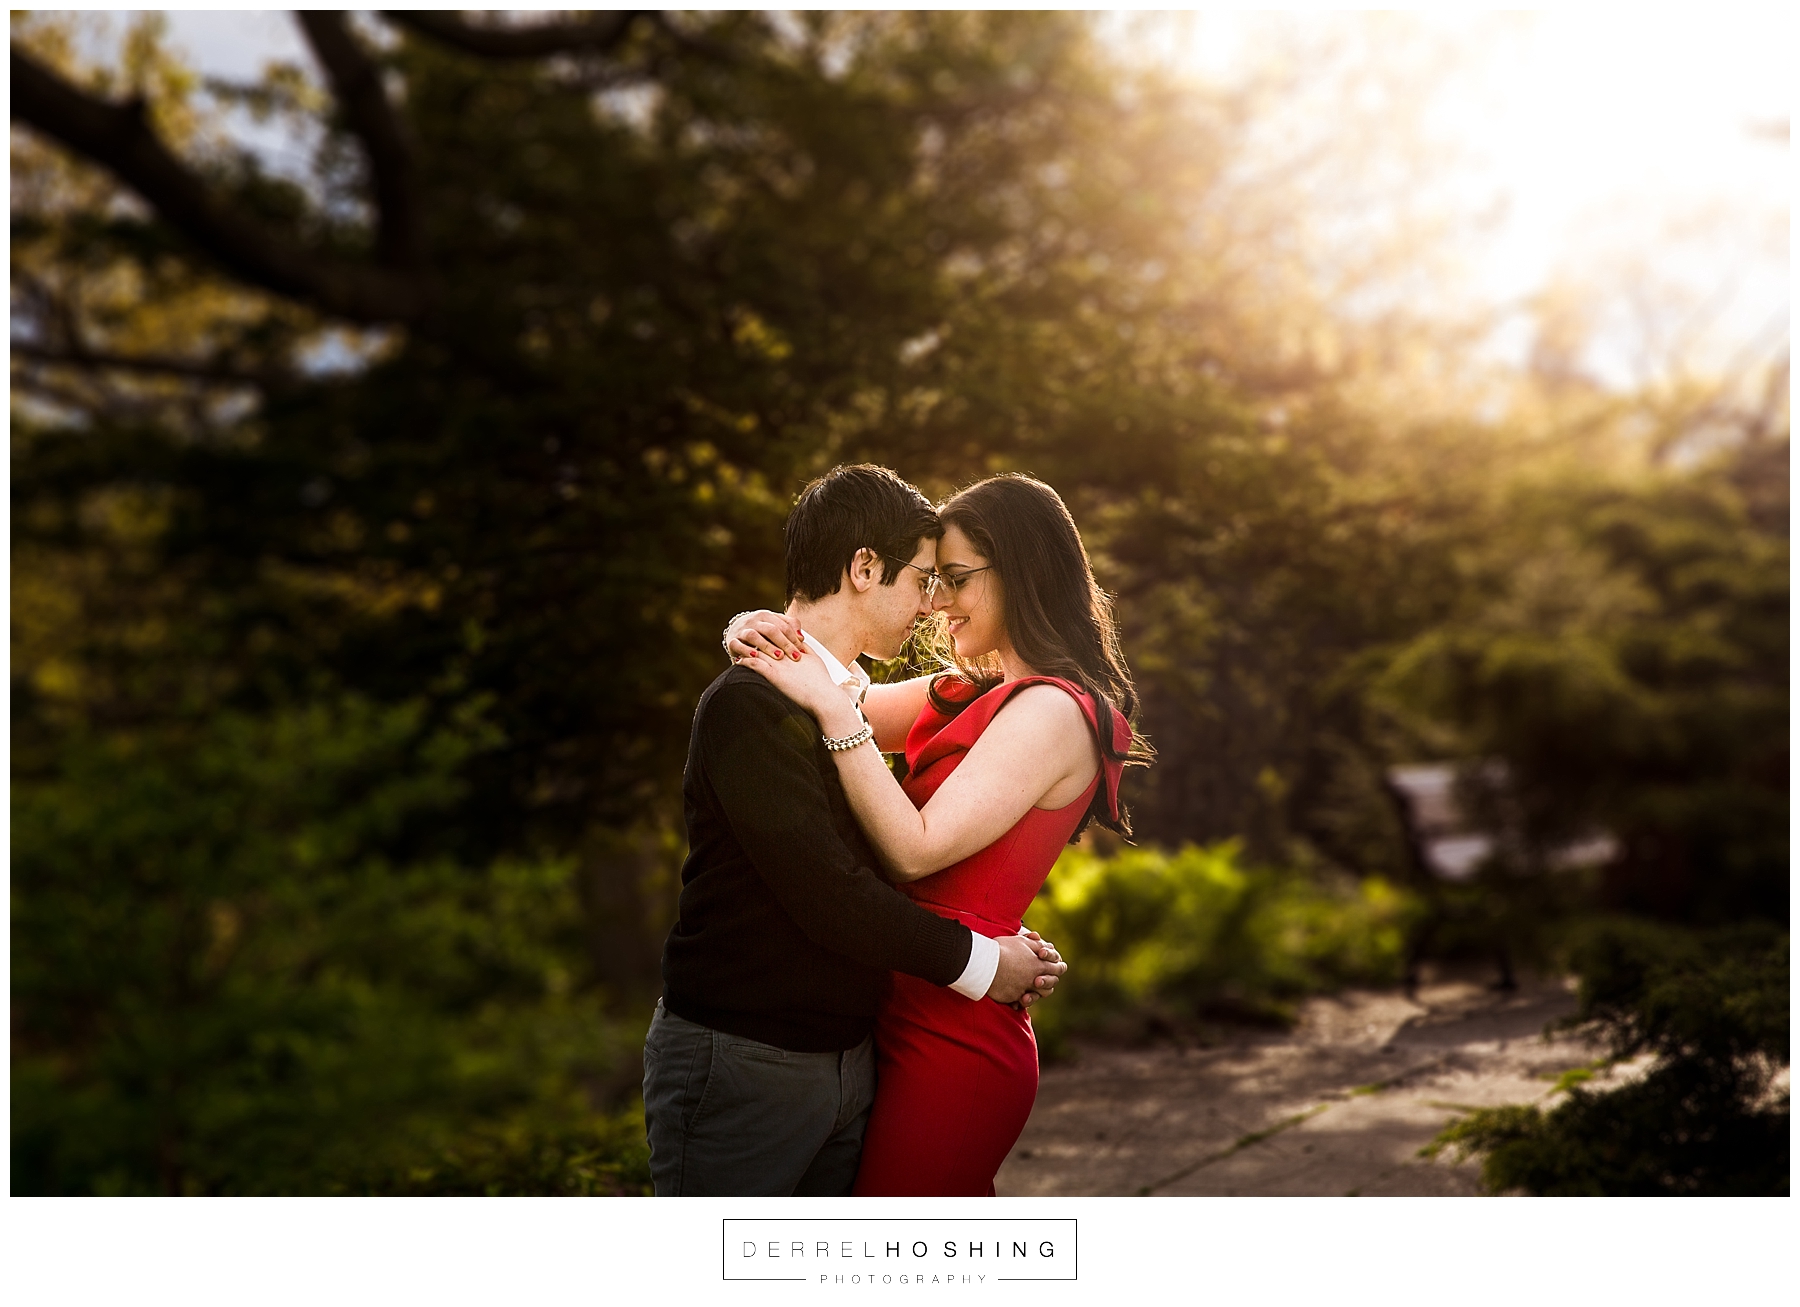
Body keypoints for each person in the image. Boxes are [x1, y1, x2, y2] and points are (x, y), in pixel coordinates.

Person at [642, 464, 1067, 1197]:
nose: (932, 606)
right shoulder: (749, 705)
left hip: (851, 1059)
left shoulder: (845, 701)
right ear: (865, 567)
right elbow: (828, 895)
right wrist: (983, 964)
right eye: (923, 580)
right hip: (745, 1061)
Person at [727, 472, 1150, 1195]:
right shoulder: (969, 693)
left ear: (1020, 569)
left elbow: (913, 845)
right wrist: (750, 628)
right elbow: (819, 680)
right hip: (898, 1004)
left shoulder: (1053, 710)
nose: (936, 602)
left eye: (955, 579)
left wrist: (838, 717)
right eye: (932, 580)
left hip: (954, 1031)